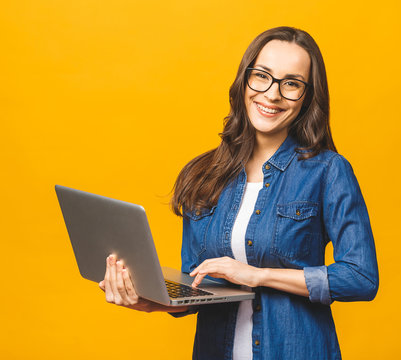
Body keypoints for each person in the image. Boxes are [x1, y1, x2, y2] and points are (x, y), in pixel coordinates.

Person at [98, 26, 378, 360]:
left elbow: (360, 277)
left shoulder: (328, 171)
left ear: (307, 97)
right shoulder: (203, 175)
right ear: (244, 81)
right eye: (262, 76)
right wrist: (151, 300)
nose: (272, 94)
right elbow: (198, 285)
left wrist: (257, 275)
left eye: (291, 83)